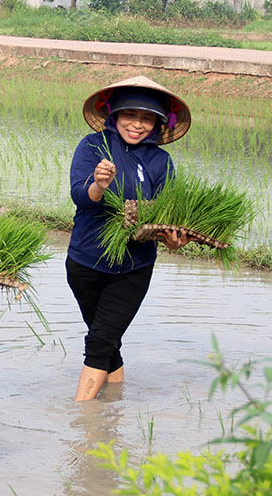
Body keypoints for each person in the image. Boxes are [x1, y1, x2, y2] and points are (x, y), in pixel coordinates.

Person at [66, 75, 193, 401]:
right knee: (107, 340)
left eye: (147, 118)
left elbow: (165, 218)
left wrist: (173, 240)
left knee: (99, 341)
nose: (137, 125)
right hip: (85, 261)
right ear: (114, 115)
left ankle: (82, 425)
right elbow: (81, 196)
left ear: (158, 123)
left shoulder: (161, 162)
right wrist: (98, 184)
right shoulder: (92, 146)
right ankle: (113, 408)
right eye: (130, 115)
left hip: (133, 267)